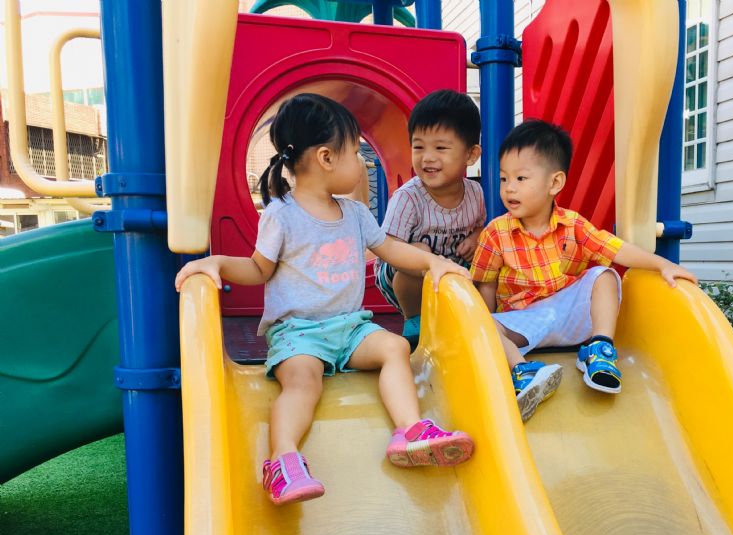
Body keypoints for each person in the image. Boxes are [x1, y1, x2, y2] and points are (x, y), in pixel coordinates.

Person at [174, 94, 475, 505]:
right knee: (303, 382)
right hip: (299, 332)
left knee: (394, 347)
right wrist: (219, 264)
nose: (362, 161)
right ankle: (282, 460)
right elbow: (259, 269)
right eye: (355, 152)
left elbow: (390, 249)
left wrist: (432, 262)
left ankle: (410, 430)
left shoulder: (355, 213)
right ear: (326, 158)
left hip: (349, 328)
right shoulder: (282, 214)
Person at [470, 119, 698, 421]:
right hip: (524, 323)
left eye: (521, 178)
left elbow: (614, 248)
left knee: (604, 275)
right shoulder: (495, 233)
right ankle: (523, 371)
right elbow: (485, 284)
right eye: (503, 178)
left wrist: (662, 264)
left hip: (569, 318)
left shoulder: (573, 225)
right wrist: (487, 332)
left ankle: (599, 348)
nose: (509, 188)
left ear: (555, 183)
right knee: (481, 322)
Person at [374, 89, 486, 343]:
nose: (427, 158)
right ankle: (414, 319)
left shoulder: (475, 193)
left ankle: (477, 315)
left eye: (440, 148)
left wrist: (475, 238)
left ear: (471, 155)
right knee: (420, 252)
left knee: (487, 258)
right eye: (419, 147)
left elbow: (480, 227)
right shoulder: (408, 197)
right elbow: (388, 247)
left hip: (449, 270)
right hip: (402, 277)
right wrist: (426, 260)